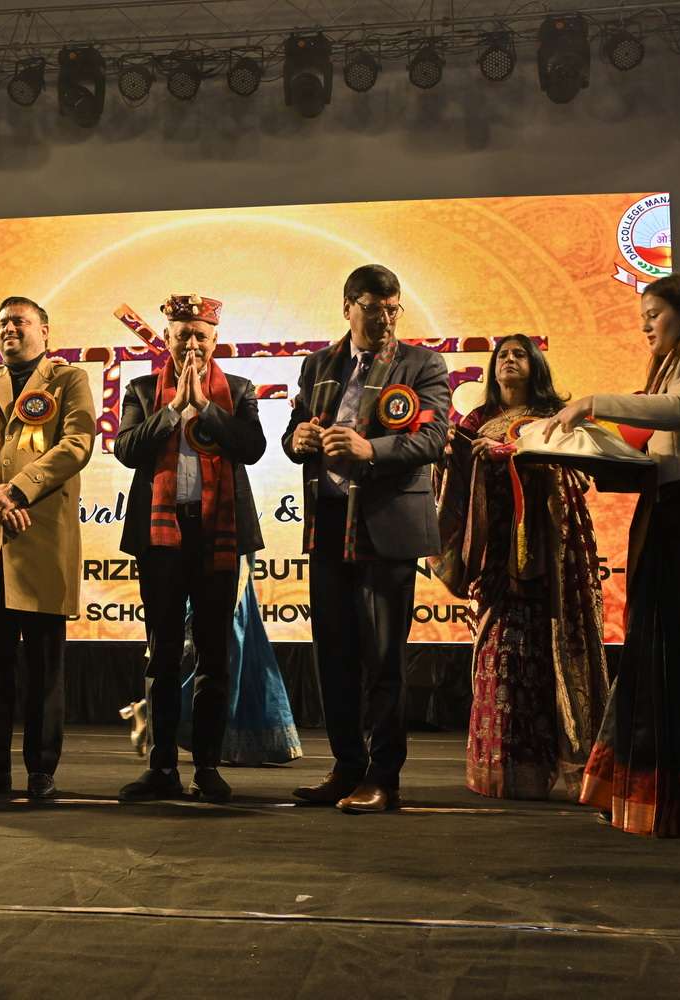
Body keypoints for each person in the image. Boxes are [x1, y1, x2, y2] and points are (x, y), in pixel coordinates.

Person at [540, 271, 680, 838]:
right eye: (642, 317)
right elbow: (647, 446)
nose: (645, 326)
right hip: (671, 516)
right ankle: (661, 799)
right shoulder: (668, 368)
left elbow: (679, 409)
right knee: (657, 655)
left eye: (654, 315)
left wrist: (592, 405)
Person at [282, 264, 451, 813]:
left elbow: (434, 438)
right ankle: (346, 767)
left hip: (385, 524)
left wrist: (369, 449)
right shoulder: (318, 364)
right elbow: (293, 434)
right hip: (329, 522)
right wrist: (298, 439)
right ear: (348, 308)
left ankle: (384, 777)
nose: (385, 319)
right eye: (374, 309)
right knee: (333, 654)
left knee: (382, 657)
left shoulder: (421, 364)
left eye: (392, 309)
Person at [433, 335, 608, 799]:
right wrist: (449, 457)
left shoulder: (556, 416)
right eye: (503, 355)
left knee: (548, 656)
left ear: (536, 366)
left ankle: (562, 766)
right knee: (502, 657)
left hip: (550, 558)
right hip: (495, 557)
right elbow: (454, 485)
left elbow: (577, 472)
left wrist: (516, 455)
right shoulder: (476, 420)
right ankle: (505, 770)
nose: (509, 360)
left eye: (520, 354)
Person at [0, 297, 96, 801]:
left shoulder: (68, 379)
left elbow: (77, 443)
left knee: (45, 670)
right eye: (3, 322)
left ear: (44, 331)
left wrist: (20, 489)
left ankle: (41, 771)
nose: (9, 328)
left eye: (20, 321)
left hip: (41, 538)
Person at [114, 294, 267, 804]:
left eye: (201, 335)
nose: (193, 343)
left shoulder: (238, 390)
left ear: (215, 339)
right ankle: (161, 767)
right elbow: (126, 449)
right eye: (183, 335)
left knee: (213, 655)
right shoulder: (141, 389)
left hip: (216, 533)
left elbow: (252, 447)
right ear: (168, 339)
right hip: (161, 537)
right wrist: (173, 408)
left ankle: (206, 767)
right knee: (161, 655)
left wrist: (204, 406)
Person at [178, 558, 304, 765]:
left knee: (238, 649)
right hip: (217, 560)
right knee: (225, 645)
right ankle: (162, 712)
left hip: (234, 559)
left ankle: (160, 712)